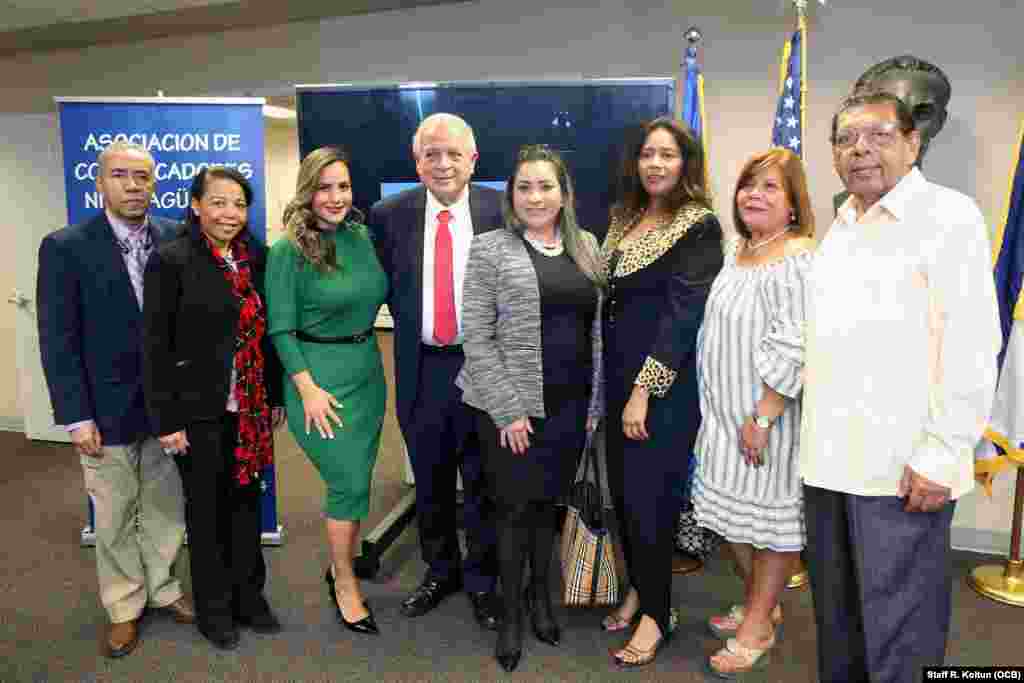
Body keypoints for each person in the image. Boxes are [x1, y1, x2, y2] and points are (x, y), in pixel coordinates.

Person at [801, 91, 1000, 683]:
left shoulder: (948, 216)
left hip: (902, 471)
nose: (859, 150)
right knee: (840, 626)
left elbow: (971, 344)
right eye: (845, 139)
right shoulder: (840, 224)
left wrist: (942, 453)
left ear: (913, 144)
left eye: (879, 135)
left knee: (901, 636)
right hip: (829, 466)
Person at [36, 141, 194, 658]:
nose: (133, 186)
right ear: (99, 183)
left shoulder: (177, 235)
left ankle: (163, 587)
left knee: (166, 505)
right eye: (121, 176)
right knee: (113, 514)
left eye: (142, 177)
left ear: (154, 182)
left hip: (167, 408)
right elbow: (58, 339)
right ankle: (124, 607)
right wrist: (75, 416)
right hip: (104, 409)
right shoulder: (65, 246)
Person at [457, 145, 604, 672]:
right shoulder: (490, 248)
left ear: (563, 193)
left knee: (548, 509)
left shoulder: (586, 245)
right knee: (513, 513)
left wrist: (594, 403)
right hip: (510, 410)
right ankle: (514, 616)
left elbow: (596, 331)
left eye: (546, 186)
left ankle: (544, 601)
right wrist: (507, 410)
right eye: (525, 187)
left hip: (568, 406)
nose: (536, 197)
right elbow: (476, 335)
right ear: (511, 196)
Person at [369, 113, 503, 629]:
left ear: (472, 159)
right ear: (416, 162)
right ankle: (439, 569)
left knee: (483, 477)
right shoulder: (388, 214)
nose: (442, 163)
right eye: (431, 153)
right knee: (430, 477)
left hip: (483, 365)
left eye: (452, 153)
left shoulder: (500, 210)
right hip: (422, 366)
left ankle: (483, 579)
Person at [143, 166, 286, 650]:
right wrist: (167, 420)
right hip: (197, 411)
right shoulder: (172, 259)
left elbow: (268, 336)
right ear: (196, 205)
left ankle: (250, 598)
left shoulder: (256, 258)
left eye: (239, 205)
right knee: (206, 515)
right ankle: (215, 609)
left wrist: (276, 396)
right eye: (219, 202)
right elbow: (156, 346)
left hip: (248, 410)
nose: (230, 213)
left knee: (247, 506)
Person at [600, 117, 723, 667]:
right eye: (648, 153)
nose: (655, 163)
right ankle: (639, 588)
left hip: (660, 390)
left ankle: (658, 613)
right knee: (624, 495)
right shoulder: (624, 219)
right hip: (615, 383)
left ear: (685, 164)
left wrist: (642, 392)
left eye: (668, 155)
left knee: (651, 500)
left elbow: (682, 319)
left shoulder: (700, 226)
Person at [691, 148, 815, 677]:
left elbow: (794, 344)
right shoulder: (739, 249)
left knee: (769, 527)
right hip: (721, 419)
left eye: (770, 188)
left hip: (768, 422)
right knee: (732, 519)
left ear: (792, 204)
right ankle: (760, 603)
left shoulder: (798, 257)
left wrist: (764, 417)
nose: (755, 196)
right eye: (748, 185)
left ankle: (759, 623)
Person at [266, 147, 388, 636]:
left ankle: (345, 560)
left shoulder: (360, 237)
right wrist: (307, 389)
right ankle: (343, 579)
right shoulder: (287, 250)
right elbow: (279, 329)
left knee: (358, 478)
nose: (335, 197)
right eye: (324, 187)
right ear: (307, 190)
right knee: (349, 483)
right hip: (317, 381)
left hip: (366, 374)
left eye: (343, 186)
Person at [834, 55, 952, 212]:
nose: (908, 128)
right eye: (892, 115)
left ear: (939, 122)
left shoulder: (953, 212)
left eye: (922, 113)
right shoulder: (845, 212)